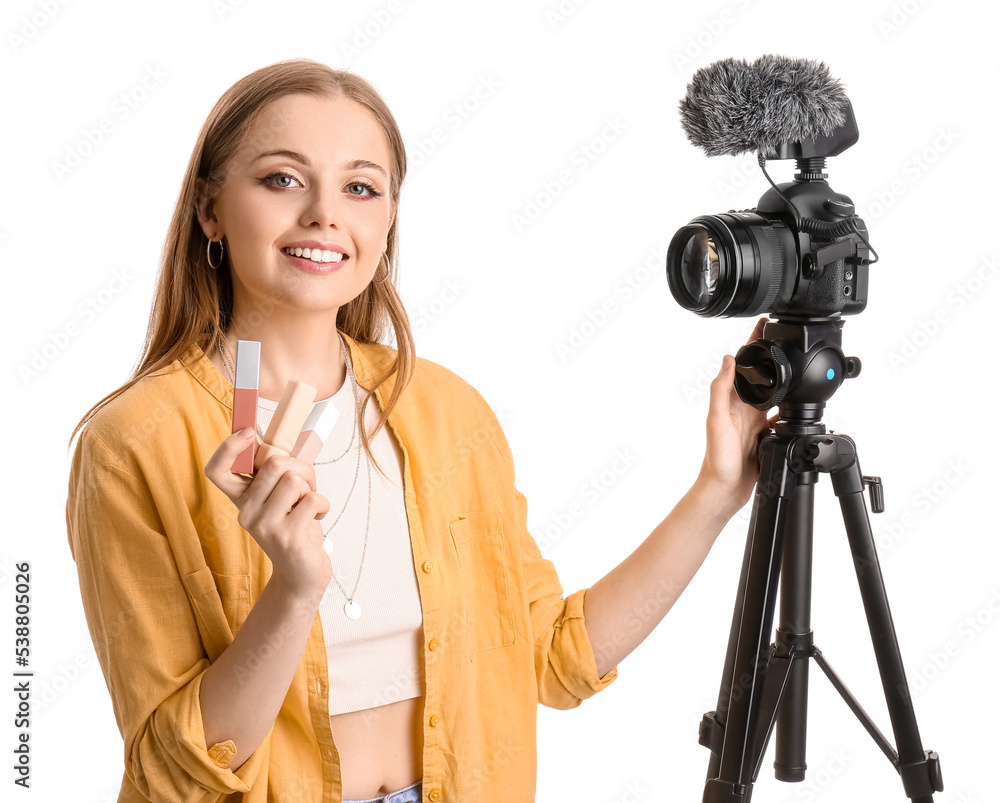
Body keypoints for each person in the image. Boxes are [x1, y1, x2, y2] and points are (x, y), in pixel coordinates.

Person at [65, 58, 774, 803]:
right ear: (210, 209)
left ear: (388, 218)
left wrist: (717, 491)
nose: (324, 215)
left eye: (360, 187)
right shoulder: (133, 441)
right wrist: (294, 589)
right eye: (282, 179)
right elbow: (173, 774)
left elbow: (554, 655)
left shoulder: (446, 411)